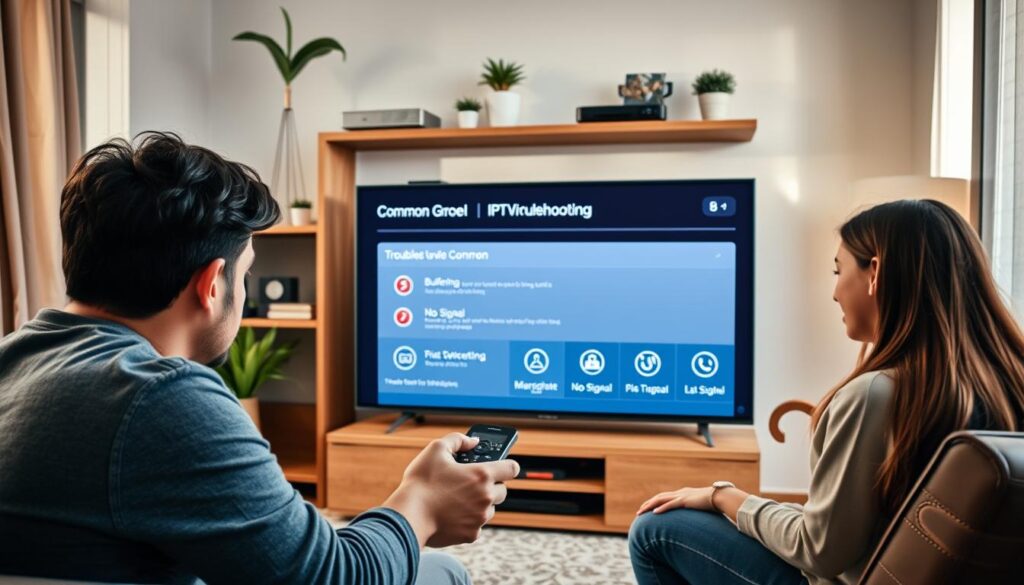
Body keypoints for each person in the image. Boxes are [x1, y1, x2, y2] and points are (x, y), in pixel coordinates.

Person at [0, 132, 519, 584]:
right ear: (211, 285)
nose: (245, 290)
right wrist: (421, 501)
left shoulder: (13, 360)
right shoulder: (159, 396)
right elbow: (335, 576)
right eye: (245, 272)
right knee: (441, 571)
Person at [629, 199, 1024, 585]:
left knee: (654, 529)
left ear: (875, 273)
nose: (835, 293)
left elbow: (819, 549)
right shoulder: (1005, 383)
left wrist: (723, 497)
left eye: (839, 271)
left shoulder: (875, 394)